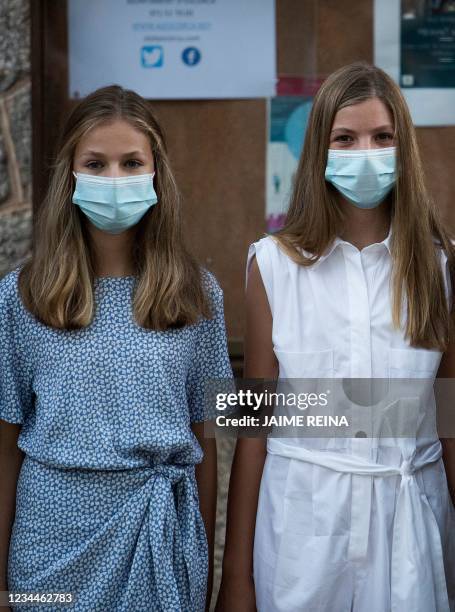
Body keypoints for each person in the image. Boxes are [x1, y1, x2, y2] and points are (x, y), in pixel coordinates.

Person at [216, 62, 455, 612]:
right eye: (344, 138)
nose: (364, 151)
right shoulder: (271, 265)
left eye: (382, 136)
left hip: (410, 517)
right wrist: (236, 578)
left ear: (404, 148)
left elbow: (448, 419)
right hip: (304, 523)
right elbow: (250, 429)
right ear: (319, 151)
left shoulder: (438, 268)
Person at [0, 85, 233, 612]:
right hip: (49, 552)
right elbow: (4, 444)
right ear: (70, 174)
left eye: (132, 163)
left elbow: (210, 440)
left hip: (159, 542)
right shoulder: (22, 296)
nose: (114, 179)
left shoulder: (199, 296)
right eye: (96, 163)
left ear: (157, 172)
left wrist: (205, 568)